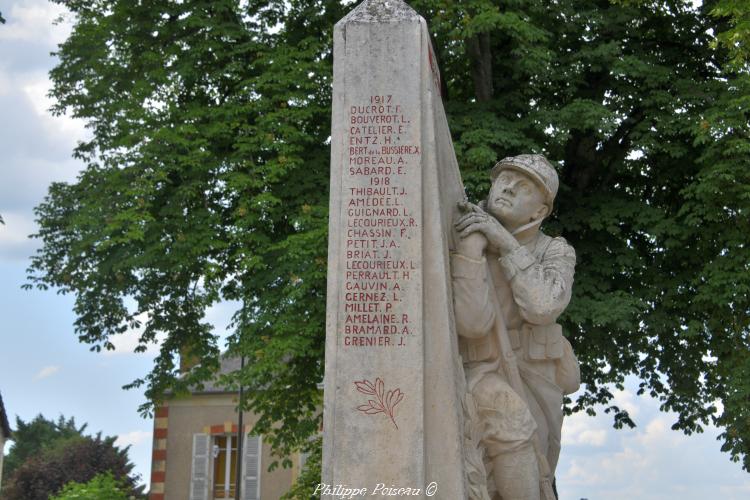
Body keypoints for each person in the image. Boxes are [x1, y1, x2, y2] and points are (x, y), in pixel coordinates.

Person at [451, 154, 579, 500]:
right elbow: (472, 325)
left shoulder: (555, 250)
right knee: (508, 419)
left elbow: (544, 306)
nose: (507, 187)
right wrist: (472, 252)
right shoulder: (461, 235)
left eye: (523, 186)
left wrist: (504, 243)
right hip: (481, 368)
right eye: (503, 179)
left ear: (539, 212)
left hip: (538, 376)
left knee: (541, 465)